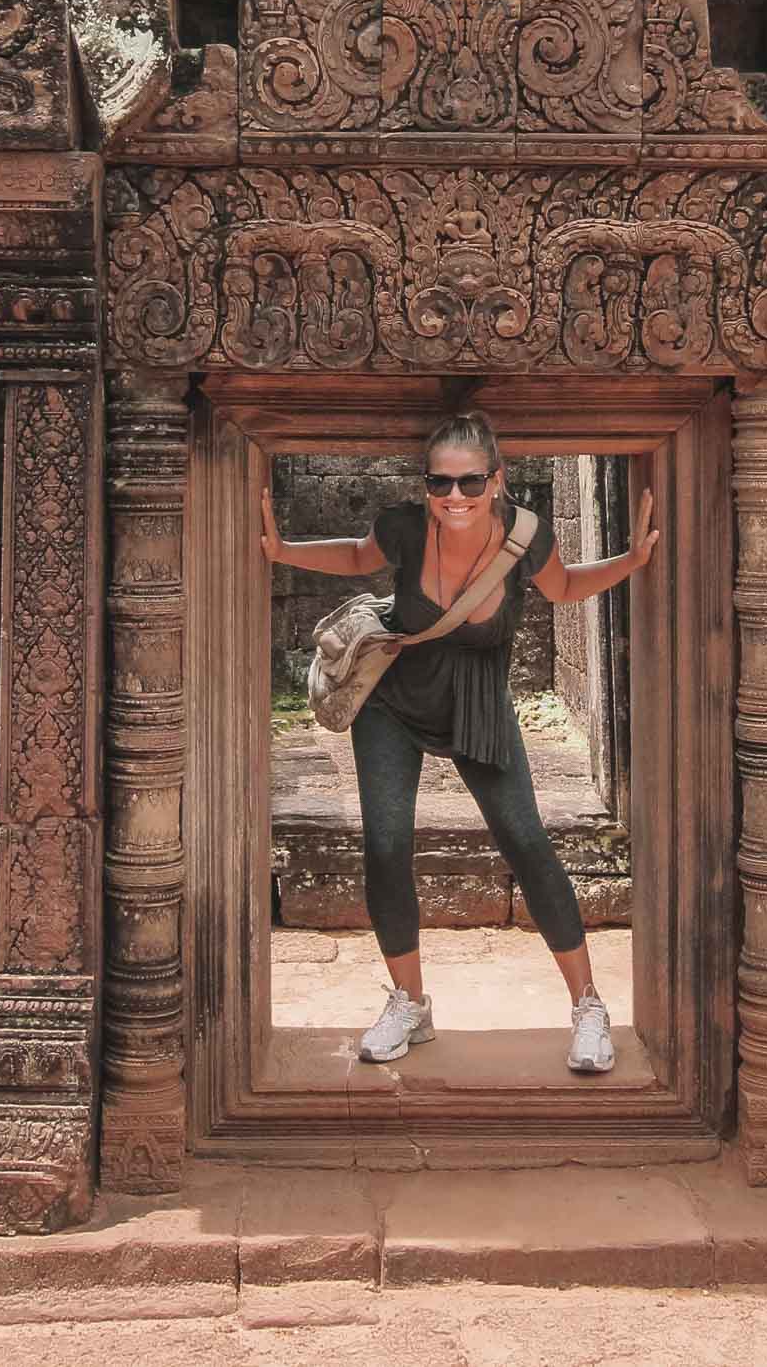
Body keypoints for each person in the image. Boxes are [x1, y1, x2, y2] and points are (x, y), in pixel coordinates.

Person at [260, 410, 660, 1075]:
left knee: (527, 843)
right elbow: (358, 557)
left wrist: (633, 561)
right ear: (425, 485)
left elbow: (565, 587)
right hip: (393, 699)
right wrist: (282, 551)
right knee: (387, 846)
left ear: (496, 480)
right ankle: (410, 1003)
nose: (454, 498)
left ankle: (588, 1005)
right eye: (440, 483)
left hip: (477, 705)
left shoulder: (527, 536)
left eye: (470, 483)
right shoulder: (406, 529)